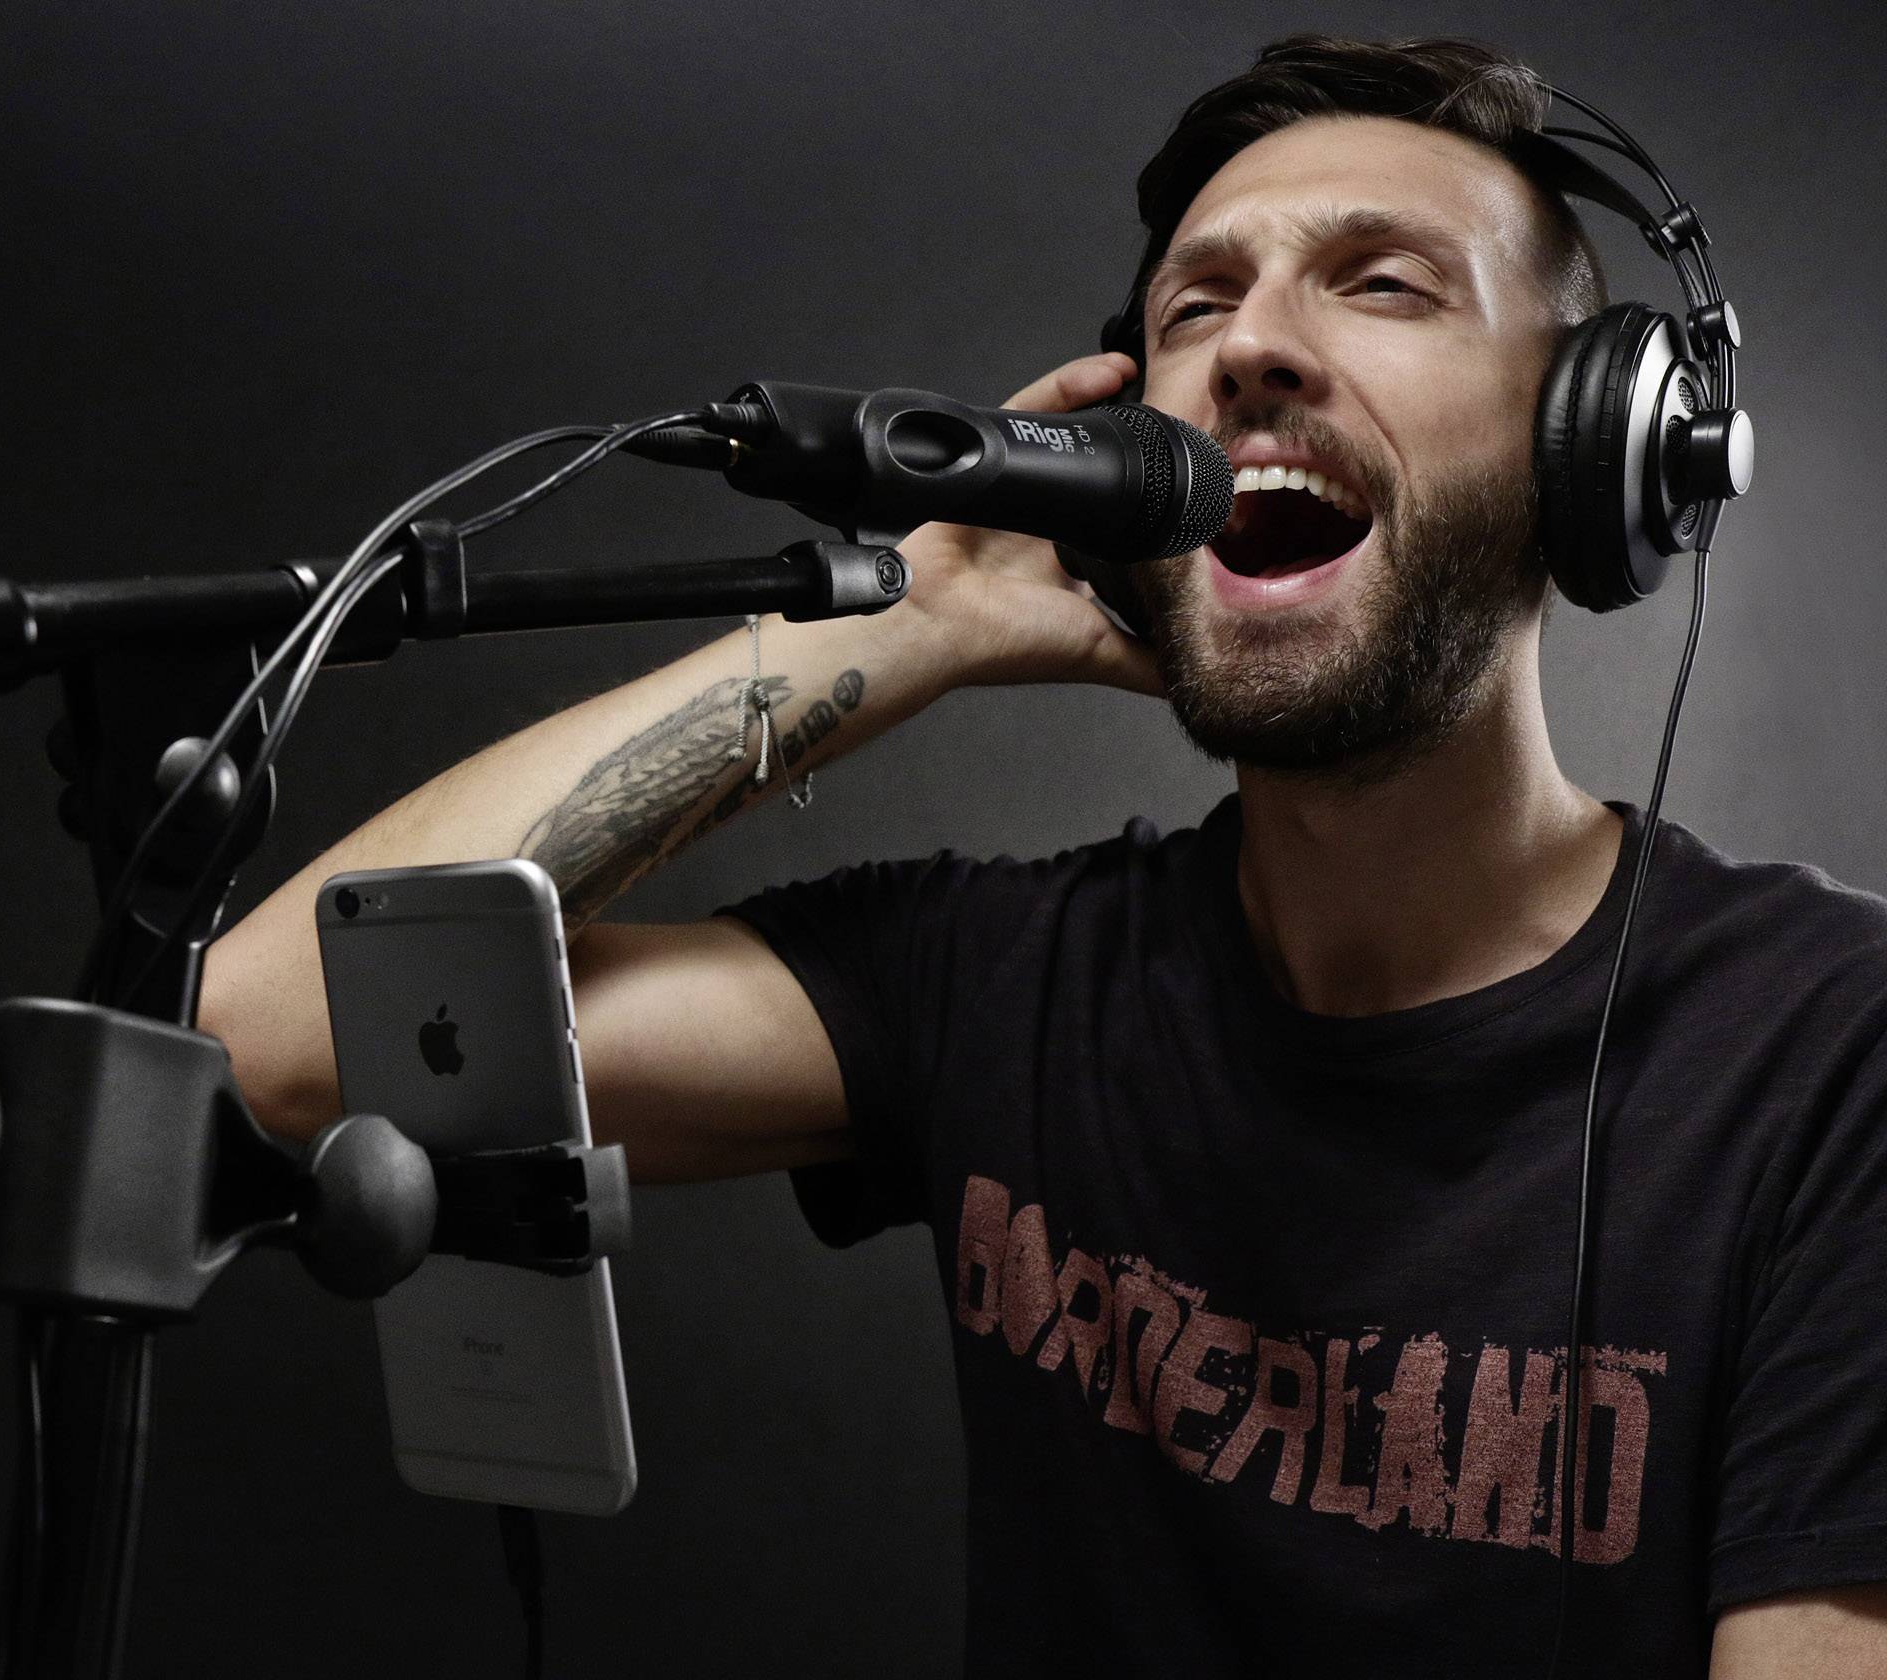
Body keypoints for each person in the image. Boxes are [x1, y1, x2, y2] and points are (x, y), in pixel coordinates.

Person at [199, 34, 1887, 1676]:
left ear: (1601, 441)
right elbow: (265, 1038)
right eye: (1196, 308)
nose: (1251, 352)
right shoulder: (999, 986)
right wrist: (918, 621)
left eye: (1383, 284)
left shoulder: (1830, 1059)